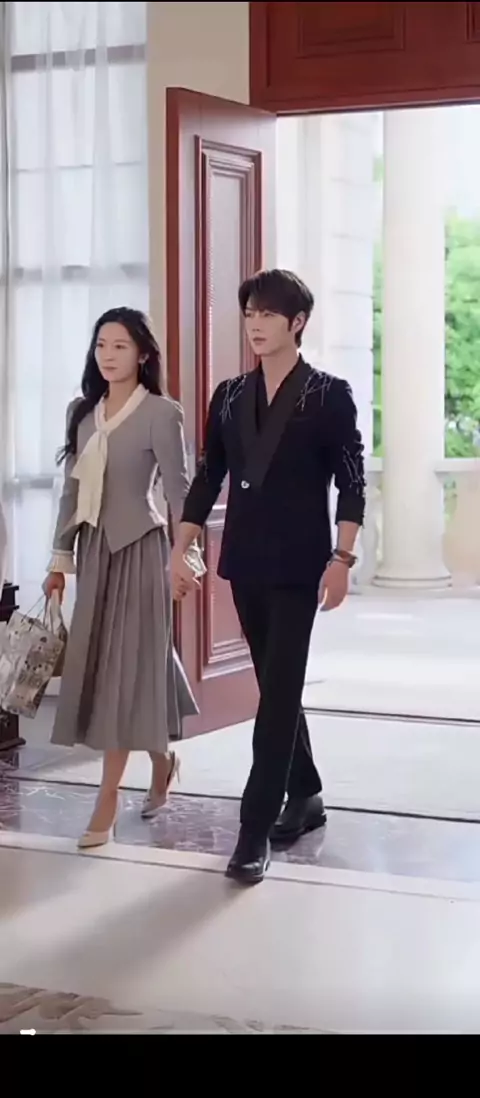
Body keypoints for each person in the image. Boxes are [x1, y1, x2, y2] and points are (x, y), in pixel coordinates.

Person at [171, 269, 366, 885]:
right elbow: (209, 475)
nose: (255, 324)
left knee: (277, 694)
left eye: (267, 314)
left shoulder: (329, 395)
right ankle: (305, 793)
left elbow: (352, 482)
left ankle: (252, 830)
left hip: (302, 565)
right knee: (275, 684)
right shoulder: (230, 395)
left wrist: (343, 560)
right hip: (245, 561)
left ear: (297, 322)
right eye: (250, 313)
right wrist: (182, 545)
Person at [43, 306, 199, 849]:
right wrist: (58, 562)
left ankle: (106, 799)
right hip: (93, 553)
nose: (108, 356)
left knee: (127, 671)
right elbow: (70, 492)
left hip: (142, 552)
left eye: (120, 346)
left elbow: (180, 493)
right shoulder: (81, 412)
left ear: (144, 354)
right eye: (101, 345)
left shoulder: (162, 412)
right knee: (130, 667)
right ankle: (163, 760)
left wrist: (184, 559)